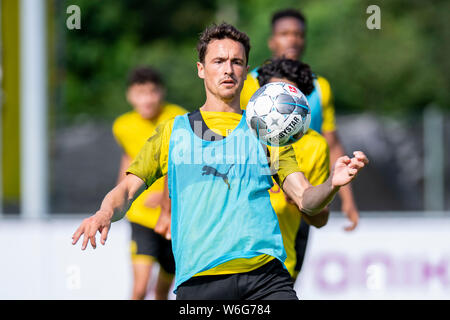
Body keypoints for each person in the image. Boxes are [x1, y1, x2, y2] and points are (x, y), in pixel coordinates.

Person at [72, 23, 368, 300]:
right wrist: (104, 212)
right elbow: (127, 190)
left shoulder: (266, 131)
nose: (228, 69)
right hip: (200, 280)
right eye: (218, 61)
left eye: (236, 62)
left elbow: (305, 199)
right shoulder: (173, 131)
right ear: (201, 69)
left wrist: (332, 183)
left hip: (265, 276)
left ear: (246, 70)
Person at [240, 8, 360, 277]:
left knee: (287, 269)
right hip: (262, 190)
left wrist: (346, 198)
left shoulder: (320, 87)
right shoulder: (249, 83)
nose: (292, 40)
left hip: (304, 183)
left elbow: (331, 141)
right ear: (272, 41)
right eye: (285, 34)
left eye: (298, 35)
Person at [112, 66, 187, 299]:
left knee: (162, 292)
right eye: (140, 93)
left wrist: (167, 195)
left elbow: (183, 163)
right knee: (139, 289)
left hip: (174, 218)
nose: (146, 99)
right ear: (130, 95)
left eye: (152, 92)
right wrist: (118, 198)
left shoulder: (179, 118)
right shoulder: (122, 126)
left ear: (161, 92)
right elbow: (128, 160)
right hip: (141, 217)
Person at [256, 58, 330, 280]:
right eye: (272, 93)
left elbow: (320, 219)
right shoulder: (237, 132)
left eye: (287, 96)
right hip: (228, 265)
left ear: (302, 99)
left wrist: (301, 201)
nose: (278, 102)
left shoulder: (315, 146)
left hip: (281, 261)